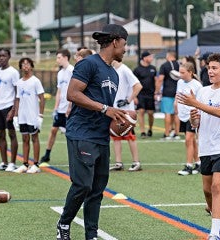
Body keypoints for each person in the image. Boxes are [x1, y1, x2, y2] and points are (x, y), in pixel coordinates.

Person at [56, 24, 128, 240]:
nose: (125, 49)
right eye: (124, 44)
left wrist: (121, 121)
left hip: (101, 136)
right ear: (115, 42)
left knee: (97, 189)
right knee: (82, 185)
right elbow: (72, 94)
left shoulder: (114, 74)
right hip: (81, 133)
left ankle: (91, 235)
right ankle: (64, 224)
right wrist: (105, 109)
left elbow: (108, 110)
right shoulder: (88, 64)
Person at [176, 53, 220, 240]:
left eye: (214, 68)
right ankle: (219, 218)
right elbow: (196, 121)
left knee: (217, 185)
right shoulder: (203, 91)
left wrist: (195, 103)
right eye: (208, 68)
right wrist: (194, 119)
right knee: (207, 190)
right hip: (206, 145)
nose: (210, 71)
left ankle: (215, 233)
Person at [40, 49, 74, 164]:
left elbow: (74, 90)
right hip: (61, 109)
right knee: (53, 130)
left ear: (65, 57)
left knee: (70, 134)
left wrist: (70, 106)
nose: (57, 60)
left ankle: (75, 158)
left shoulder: (71, 70)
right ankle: (47, 155)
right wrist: (56, 108)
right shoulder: (60, 73)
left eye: (59, 57)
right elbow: (59, 92)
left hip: (69, 109)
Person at [13, 58, 45, 173]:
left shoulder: (35, 81)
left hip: (33, 115)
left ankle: (36, 164)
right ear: (20, 67)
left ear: (31, 66)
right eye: (23, 64)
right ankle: (25, 164)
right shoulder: (19, 82)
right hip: (23, 115)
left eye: (27, 64)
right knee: (25, 138)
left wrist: (40, 115)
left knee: (34, 137)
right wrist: (15, 116)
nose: (25, 66)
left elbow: (42, 98)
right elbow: (17, 99)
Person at [109, 60, 143, 172]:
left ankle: (136, 162)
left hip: (127, 111)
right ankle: (118, 163)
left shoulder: (125, 70)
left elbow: (138, 86)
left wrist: (127, 100)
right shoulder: (112, 70)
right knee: (115, 135)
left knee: (130, 136)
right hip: (116, 109)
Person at [0, 48, 19, 172]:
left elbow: (17, 92)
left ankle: (12, 162)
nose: (1, 58)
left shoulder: (13, 72)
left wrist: (14, 109)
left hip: (8, 106)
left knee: (11, 133)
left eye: (4, 56)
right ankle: (4, 162)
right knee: (0, 134)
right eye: (0, 56)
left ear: (9, 57)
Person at [175, 62, 202, 176]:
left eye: (183, 72)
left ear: (190, 72)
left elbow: (200, 102)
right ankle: (199, 163)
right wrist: (175, 104)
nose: (180, 75)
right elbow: (178, 95)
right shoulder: (180, 82)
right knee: (192, 142)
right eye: (180, 72)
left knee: (188, 139)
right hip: (183, 115)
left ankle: (188, 166)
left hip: (193, 115)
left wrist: (196, 116)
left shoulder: (197, 85)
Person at [155, 50, 180, 139]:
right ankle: (176, 133)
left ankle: (167, 133)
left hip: (167, 92)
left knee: (168, 113)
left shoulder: (164, 65)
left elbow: (160, 79)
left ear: (169, 55)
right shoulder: (179, 64)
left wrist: (157, 91)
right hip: (178, 92)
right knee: (176, 113)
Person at [133, 51, 157, 138]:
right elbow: (134, 84)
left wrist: (156, 92)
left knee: (151, 113)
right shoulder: (137, 70)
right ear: (144, 58)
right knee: (141, 111)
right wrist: (134, 96)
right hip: (141, 95)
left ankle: (150, 129)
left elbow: (156, 81)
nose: (151, 58)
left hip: (150, 94)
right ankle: (143, 132)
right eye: (150, 57)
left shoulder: (153, 68)